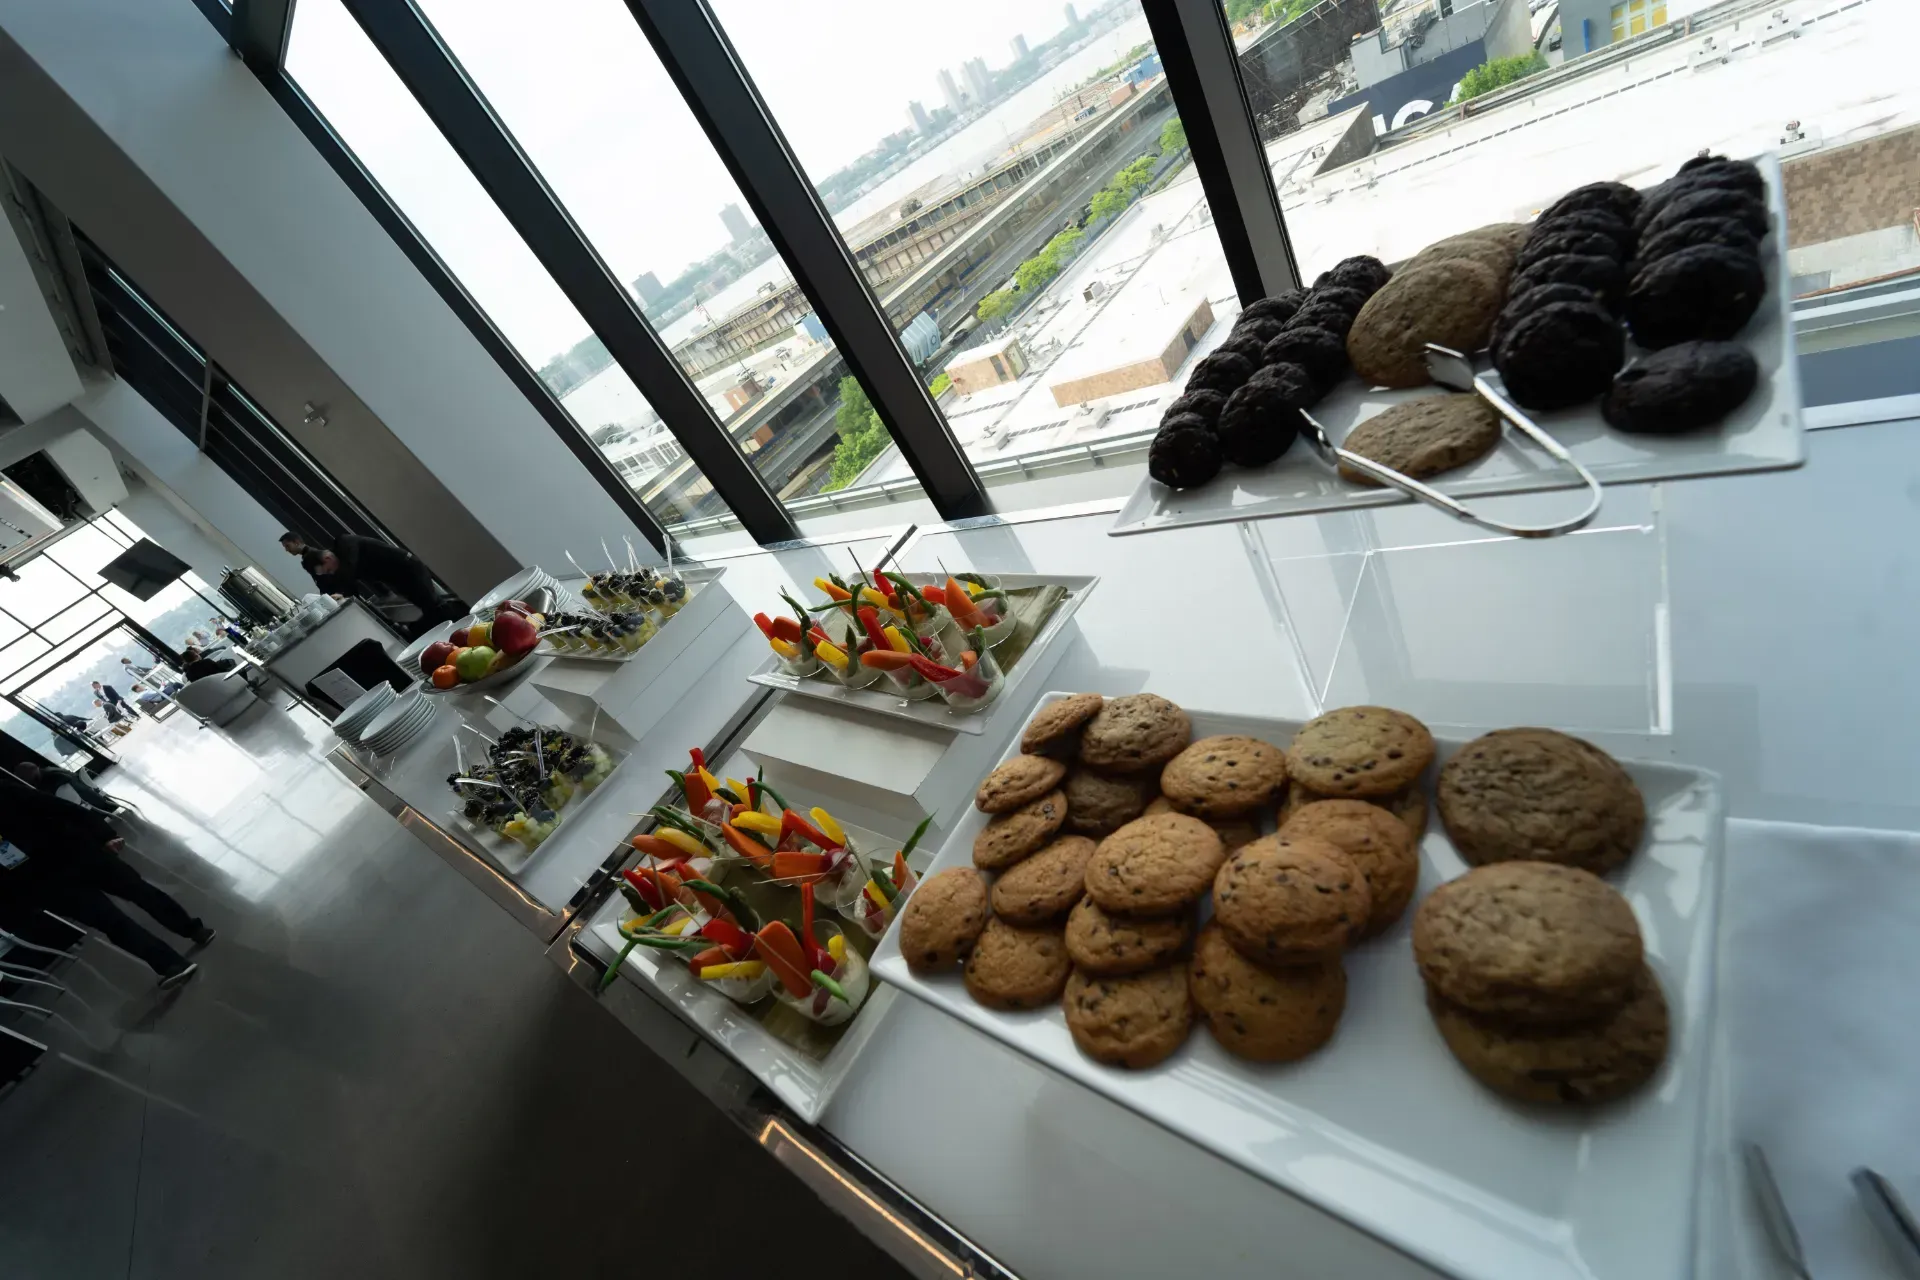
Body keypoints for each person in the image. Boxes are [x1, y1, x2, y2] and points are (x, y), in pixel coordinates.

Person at [0, 775, 212, 987]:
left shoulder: (6, 792)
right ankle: (172, 962)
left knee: (134, 895)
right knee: (115, 917)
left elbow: (59, 807)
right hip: (50, 879)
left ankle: (188, 936)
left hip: (73, 855)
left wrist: (103, 835)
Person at [310, 535, 468, 639]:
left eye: (329, 570)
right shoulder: (344, 564)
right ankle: (456, 633)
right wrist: (344, 597)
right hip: (398, 579)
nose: (332, 573)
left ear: (328, 557)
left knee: (433, 605)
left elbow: (350, 567)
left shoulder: (344, 543)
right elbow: (352, 587)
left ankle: (464, 628)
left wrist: (340, 589)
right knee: (428, 607)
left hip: (408, 568)